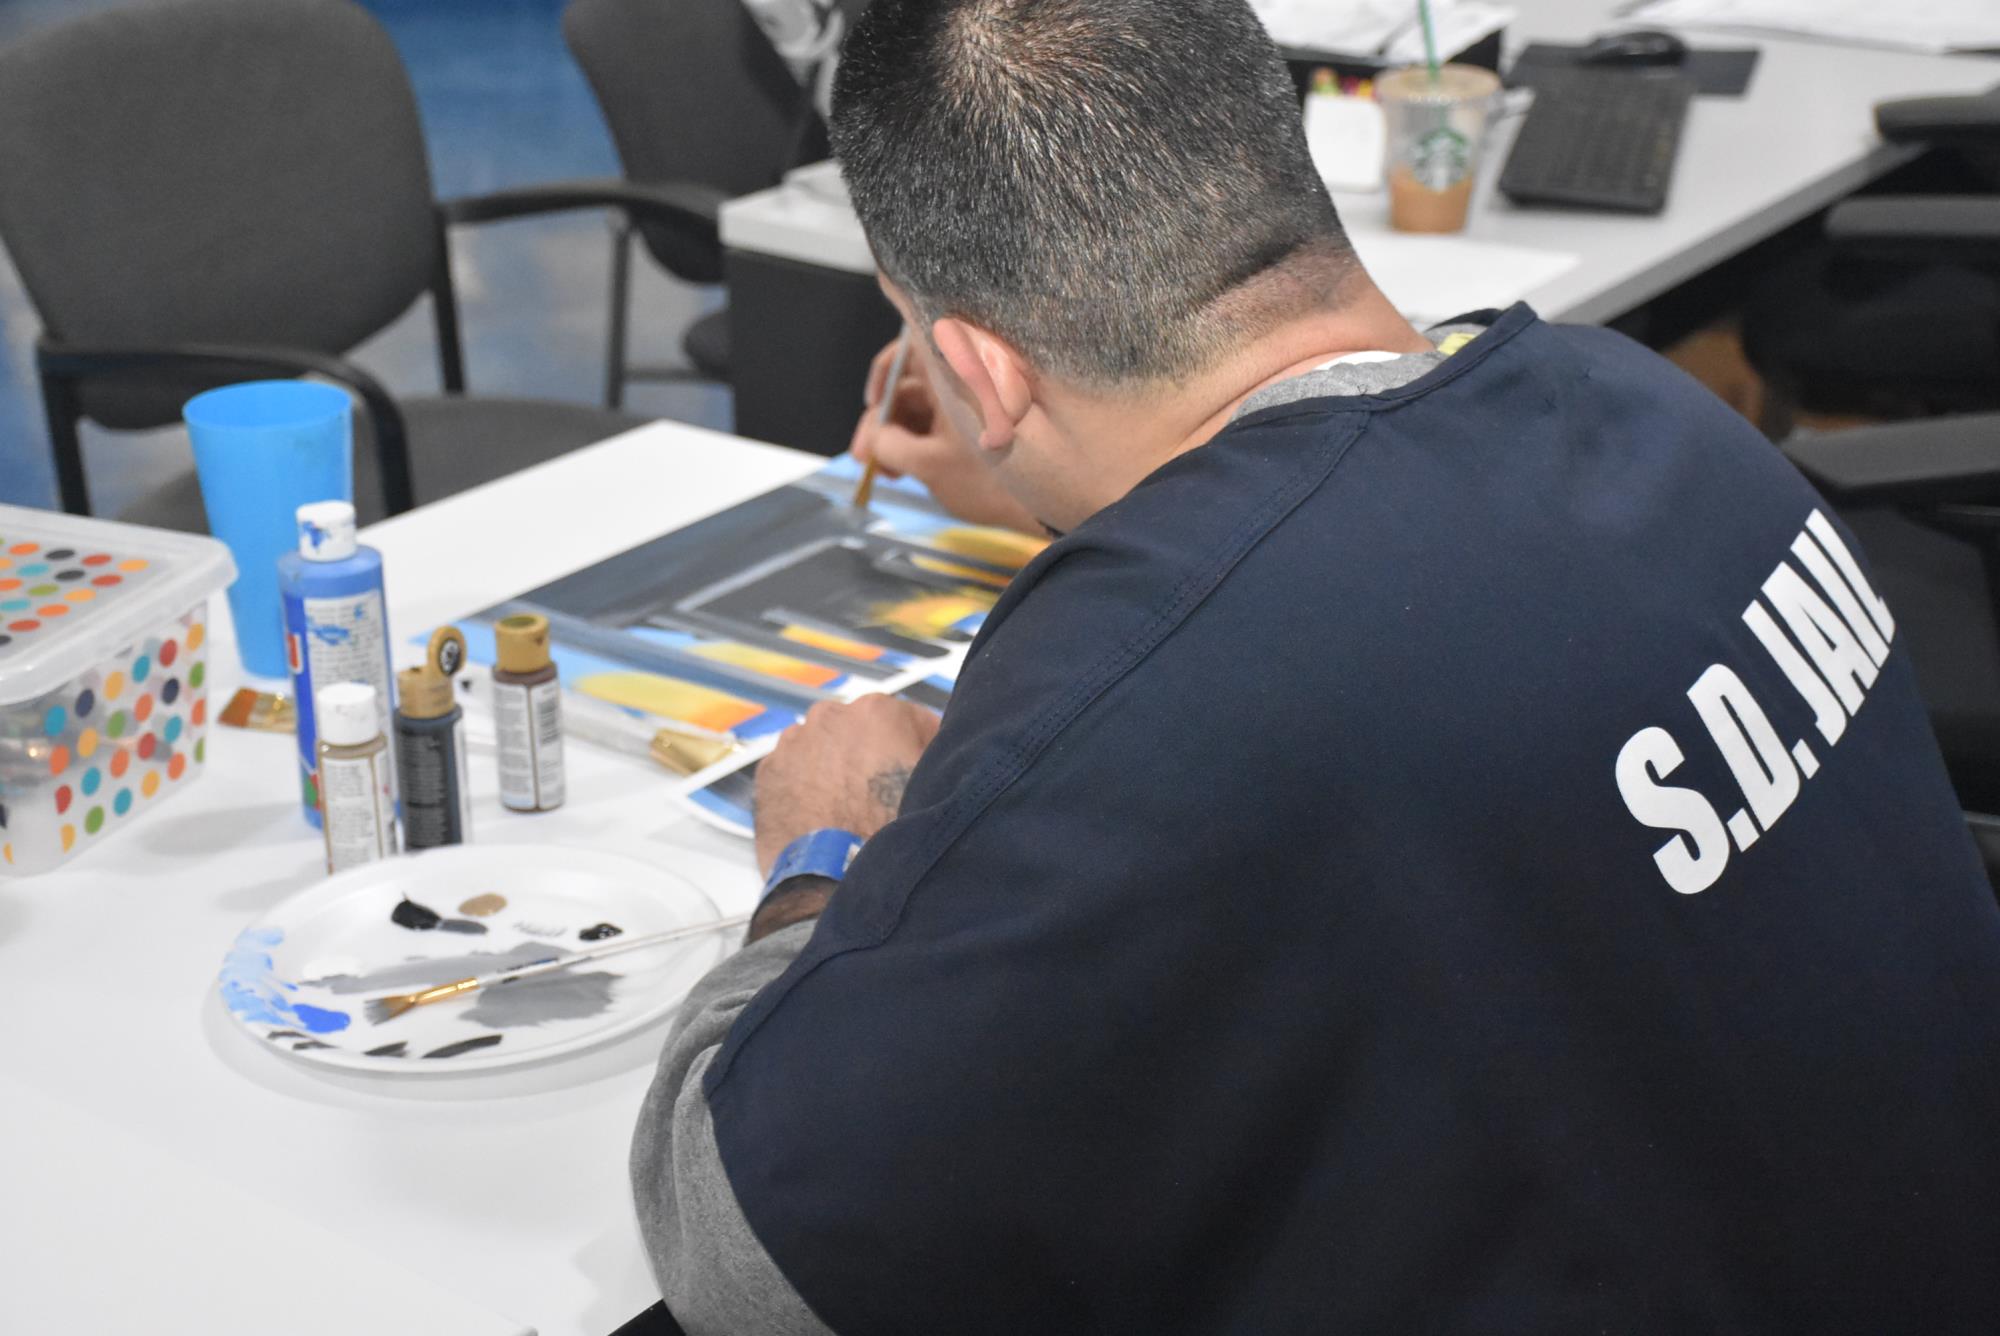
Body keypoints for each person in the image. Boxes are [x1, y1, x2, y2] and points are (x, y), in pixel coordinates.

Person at [631, 0, 2000, 1331]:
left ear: (980, 373)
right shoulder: (1644, 407)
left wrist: (819, 858)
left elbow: (743, 1264)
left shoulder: (1137, 708)